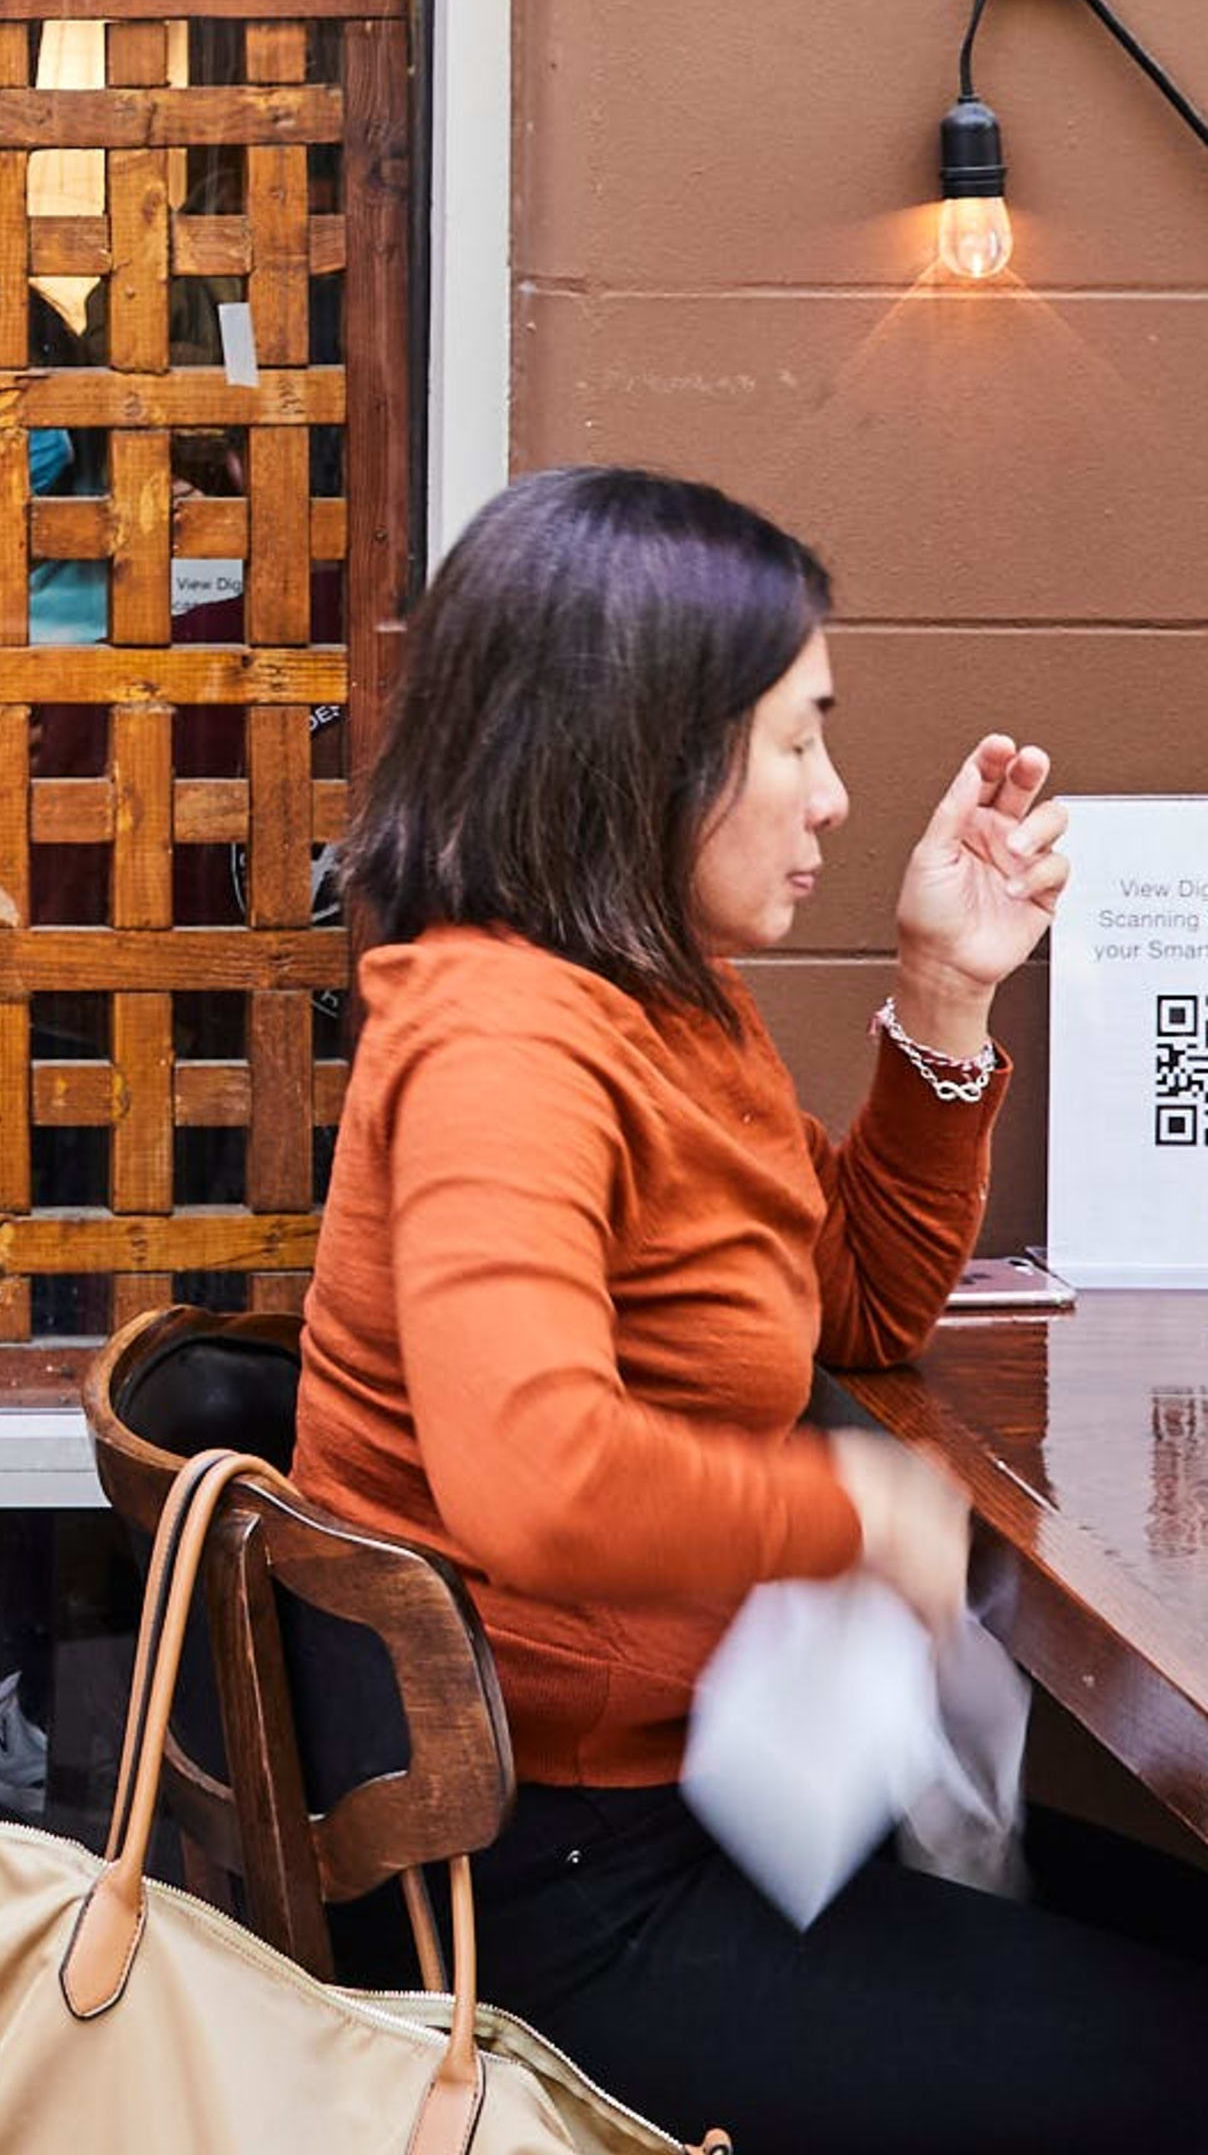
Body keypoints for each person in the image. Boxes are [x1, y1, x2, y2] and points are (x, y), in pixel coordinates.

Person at [291, 464, 1208, 2154]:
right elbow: (535, 1475)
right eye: (798, 740)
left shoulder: (654, 999)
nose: (838, 799)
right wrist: (846, 1506)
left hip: (699, 1803)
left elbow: (847, 1305)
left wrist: (944, 987)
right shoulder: (508, 1040)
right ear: (651, 747)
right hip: (563, 1898)